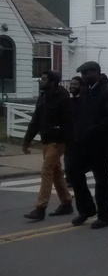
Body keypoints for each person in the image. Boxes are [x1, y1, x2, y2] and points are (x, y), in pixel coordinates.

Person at [68, 61, 108, 229]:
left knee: (101, 178)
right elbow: (80, 115)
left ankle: (104, 215)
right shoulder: (85, 91)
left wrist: (91, 130)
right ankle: (87, 209)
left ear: (97, 72)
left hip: (102, 142)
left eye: (87, 73)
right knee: (74, 172)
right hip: (83, 141)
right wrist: (78, 132)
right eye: (82, 74)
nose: (84, 77)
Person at [22, 70, 74, 221]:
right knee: (56, 171)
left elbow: (69, 122)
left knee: (46, 171)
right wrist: (27, 140)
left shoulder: (63, 98)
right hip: (46, 140)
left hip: (57, 141)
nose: (40, 81)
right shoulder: (43, 96)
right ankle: (66, 202)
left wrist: (66, 141)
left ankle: (40, 208)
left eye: (44, 79)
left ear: (52, 82)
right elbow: (36, 120)